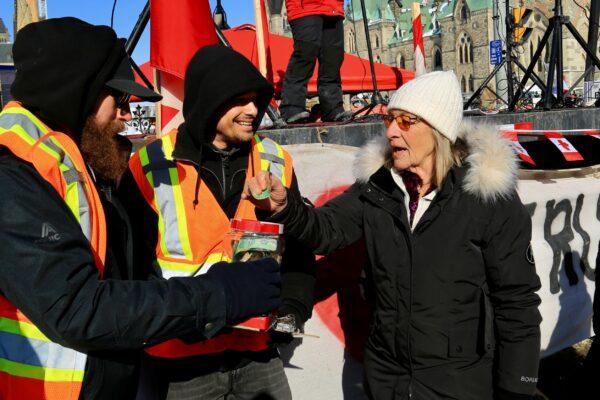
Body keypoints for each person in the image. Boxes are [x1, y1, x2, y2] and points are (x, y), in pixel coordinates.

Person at [0, 18, 282, 400]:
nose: (127, 114)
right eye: (120, 99)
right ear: (78, 91)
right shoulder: (13, 171)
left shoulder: (77, 161)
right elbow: (77, 307)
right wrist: (218, 294)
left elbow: (125, 277)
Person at [244, 71, 543, 400]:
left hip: (459, 382)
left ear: (437, 129)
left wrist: (518, 388)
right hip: (386, 377)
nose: (390, 132)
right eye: (389, 119)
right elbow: (325, 230)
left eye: (406, 122)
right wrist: (285, 207)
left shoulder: (486, 196)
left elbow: (517, 302)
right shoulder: (378, 186)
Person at [124, 44, 316, 400]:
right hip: (180, 360)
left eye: (257, 100)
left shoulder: (276, 160)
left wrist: (292, 309)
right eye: (239, 99)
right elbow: (131, 269)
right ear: (209, 100)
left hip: (257, 352)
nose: (253, 110)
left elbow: (299, 247)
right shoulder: (149, 166)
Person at [279, 0, 352, 123]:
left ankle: (332, 109)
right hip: (305, 7)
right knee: (306, 53)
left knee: (332, 58)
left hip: (333, 7)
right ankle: (292, 108)